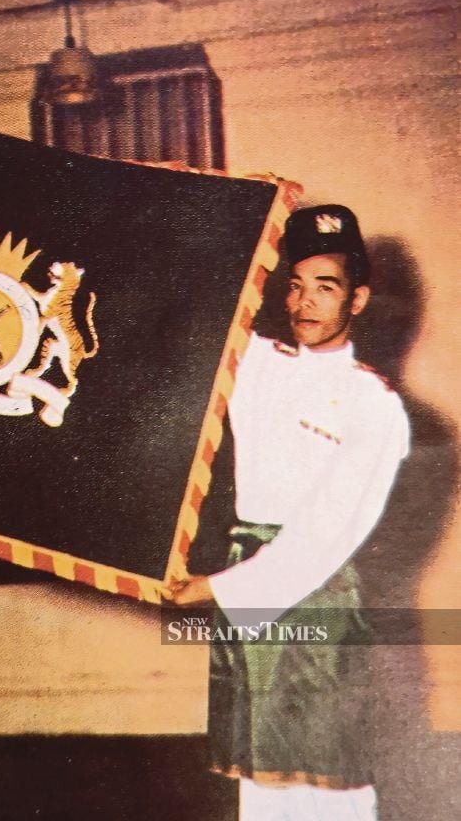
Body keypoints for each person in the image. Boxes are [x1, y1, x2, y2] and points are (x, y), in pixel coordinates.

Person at [171, 205, 410, 820]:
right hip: (245, 586)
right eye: (295, 284)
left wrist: (211, 589)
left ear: (357, 300)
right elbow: (188, 301)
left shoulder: (374, 406)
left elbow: (325, 537)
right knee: (262, 785)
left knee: (330, 783)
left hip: (316, 599)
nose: (305, 302)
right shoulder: (254, 367)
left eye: (326, 287)